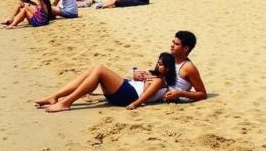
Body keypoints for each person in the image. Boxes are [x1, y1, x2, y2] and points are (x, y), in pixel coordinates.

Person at [36, 31, 206, 112]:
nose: (171, 46)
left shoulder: (189, 67)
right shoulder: (170, 58)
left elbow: (202, 93)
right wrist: (136, 72)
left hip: (133, 94)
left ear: (186, 48)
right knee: (94, 69)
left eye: (176, 44)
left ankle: (66, 103)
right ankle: (56, 96)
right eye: (172, 42)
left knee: (99, 69)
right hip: (136, 87)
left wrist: (179, 94)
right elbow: (157, 72)